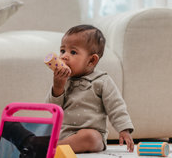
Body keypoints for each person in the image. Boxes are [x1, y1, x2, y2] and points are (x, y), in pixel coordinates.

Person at [45, 24, 134, 154]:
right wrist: (58, 87)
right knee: (44, 130)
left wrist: (124, 129)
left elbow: (116, 106)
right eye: (62, 51)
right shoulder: (63, 80)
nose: (63, 56)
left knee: (91, 138)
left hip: (91, 134)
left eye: (73, 52)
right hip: (64, 133)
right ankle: (54, 146)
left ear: (91, 60)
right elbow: (53, 109)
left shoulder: (102, 81)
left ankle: (50, 148)